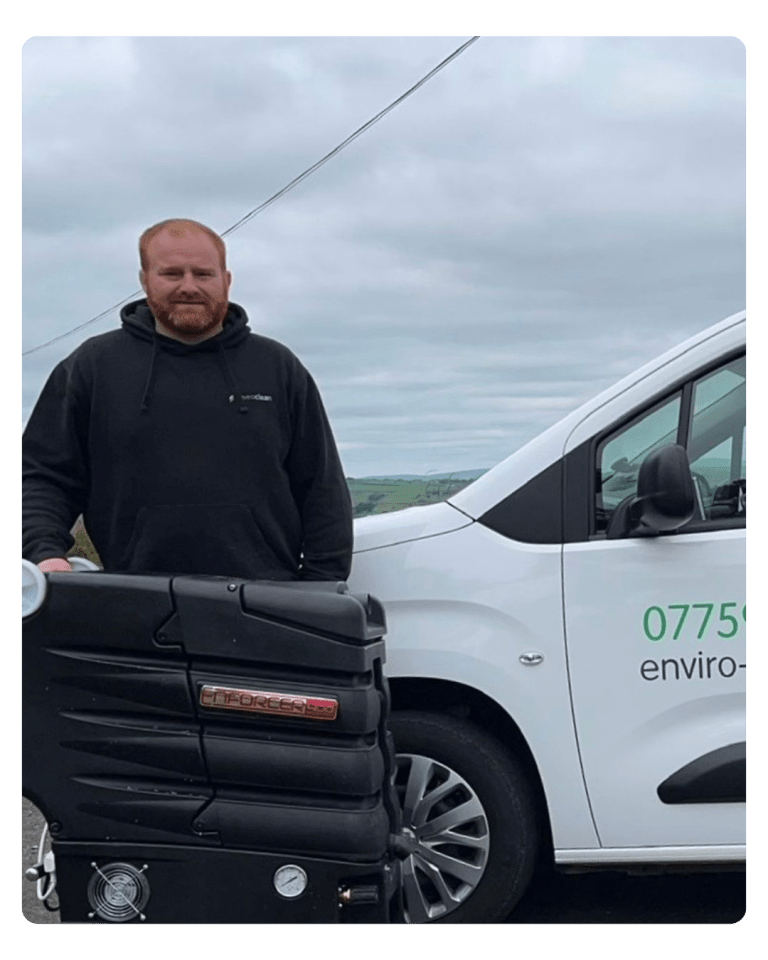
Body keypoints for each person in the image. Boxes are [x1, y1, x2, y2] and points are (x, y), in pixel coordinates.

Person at [22, 218, 353, 582]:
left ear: (226, 280)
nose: (189, 286)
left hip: (268, 603)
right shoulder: (93, 367)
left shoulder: (278, 368)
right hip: (132, 602)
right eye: (172, 273)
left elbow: (322, 489)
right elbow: (42, 477)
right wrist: (44, 552)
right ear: (145, 279)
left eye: (203, 274)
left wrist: (323, 588)